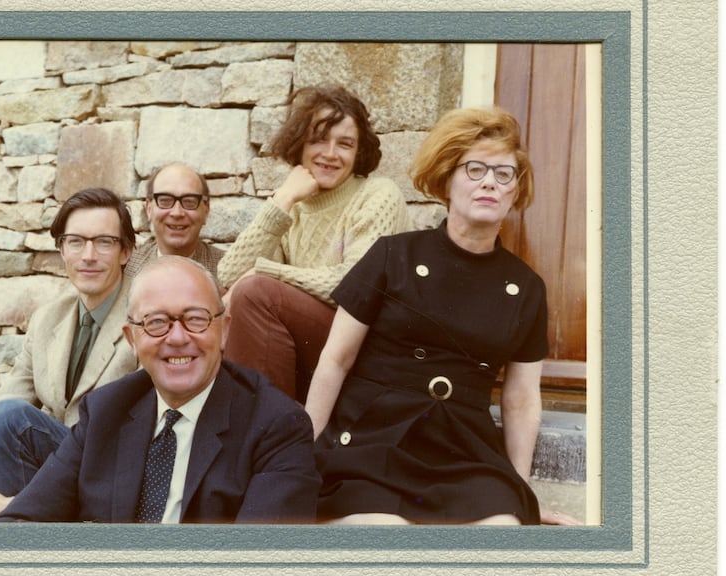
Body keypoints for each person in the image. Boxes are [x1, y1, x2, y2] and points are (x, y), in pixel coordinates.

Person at [305, 107, 578, 526]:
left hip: (463, 453)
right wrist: (301, 454)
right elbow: (335, 359)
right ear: (447, 179)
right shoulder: (392, 255)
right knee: (385, 533)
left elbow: (521, 401)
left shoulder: (525, 288)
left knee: (501, 532)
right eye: (475, 169)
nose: (490, 181)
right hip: (375, 442)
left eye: (504, 174)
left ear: (515, 191)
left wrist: (520, 493)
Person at [0, 256, 321, 523]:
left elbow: (260, 563)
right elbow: (23, 521)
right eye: (156, 323)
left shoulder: (277, 426)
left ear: (223, 331)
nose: (177, 338)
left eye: (196, 319)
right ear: (132, 339)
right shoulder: (107, 411)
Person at [0, 187, 140, 522]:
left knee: (12, 418)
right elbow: (8, 400)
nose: (88, 255)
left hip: (106, 468)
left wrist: (13, 500)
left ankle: (9, 532)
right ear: (61, 249)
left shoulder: (145, 315)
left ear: (126, 251)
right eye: (75, 241)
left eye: (104, 242)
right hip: (54, 463)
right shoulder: (48, 318)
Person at [217, 83, 412, 403]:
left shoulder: (378, 195)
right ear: (299, 144)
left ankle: (263, 433)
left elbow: (357, 286)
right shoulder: (293, 203)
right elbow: (229, 275)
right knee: (232, 298)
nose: (331, 154)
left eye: (345, 144)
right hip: (312, 347)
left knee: (256, 291)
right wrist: (282, 200)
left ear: (359, 151)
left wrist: (265, 272)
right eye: (319, 140)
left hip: (369, 349)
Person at [125, 162, 224, 280]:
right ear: (149, 209)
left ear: (206, 211)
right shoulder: (125, 270)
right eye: (165, 200)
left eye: (189, 201)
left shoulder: (227, 272)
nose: (177, 213)